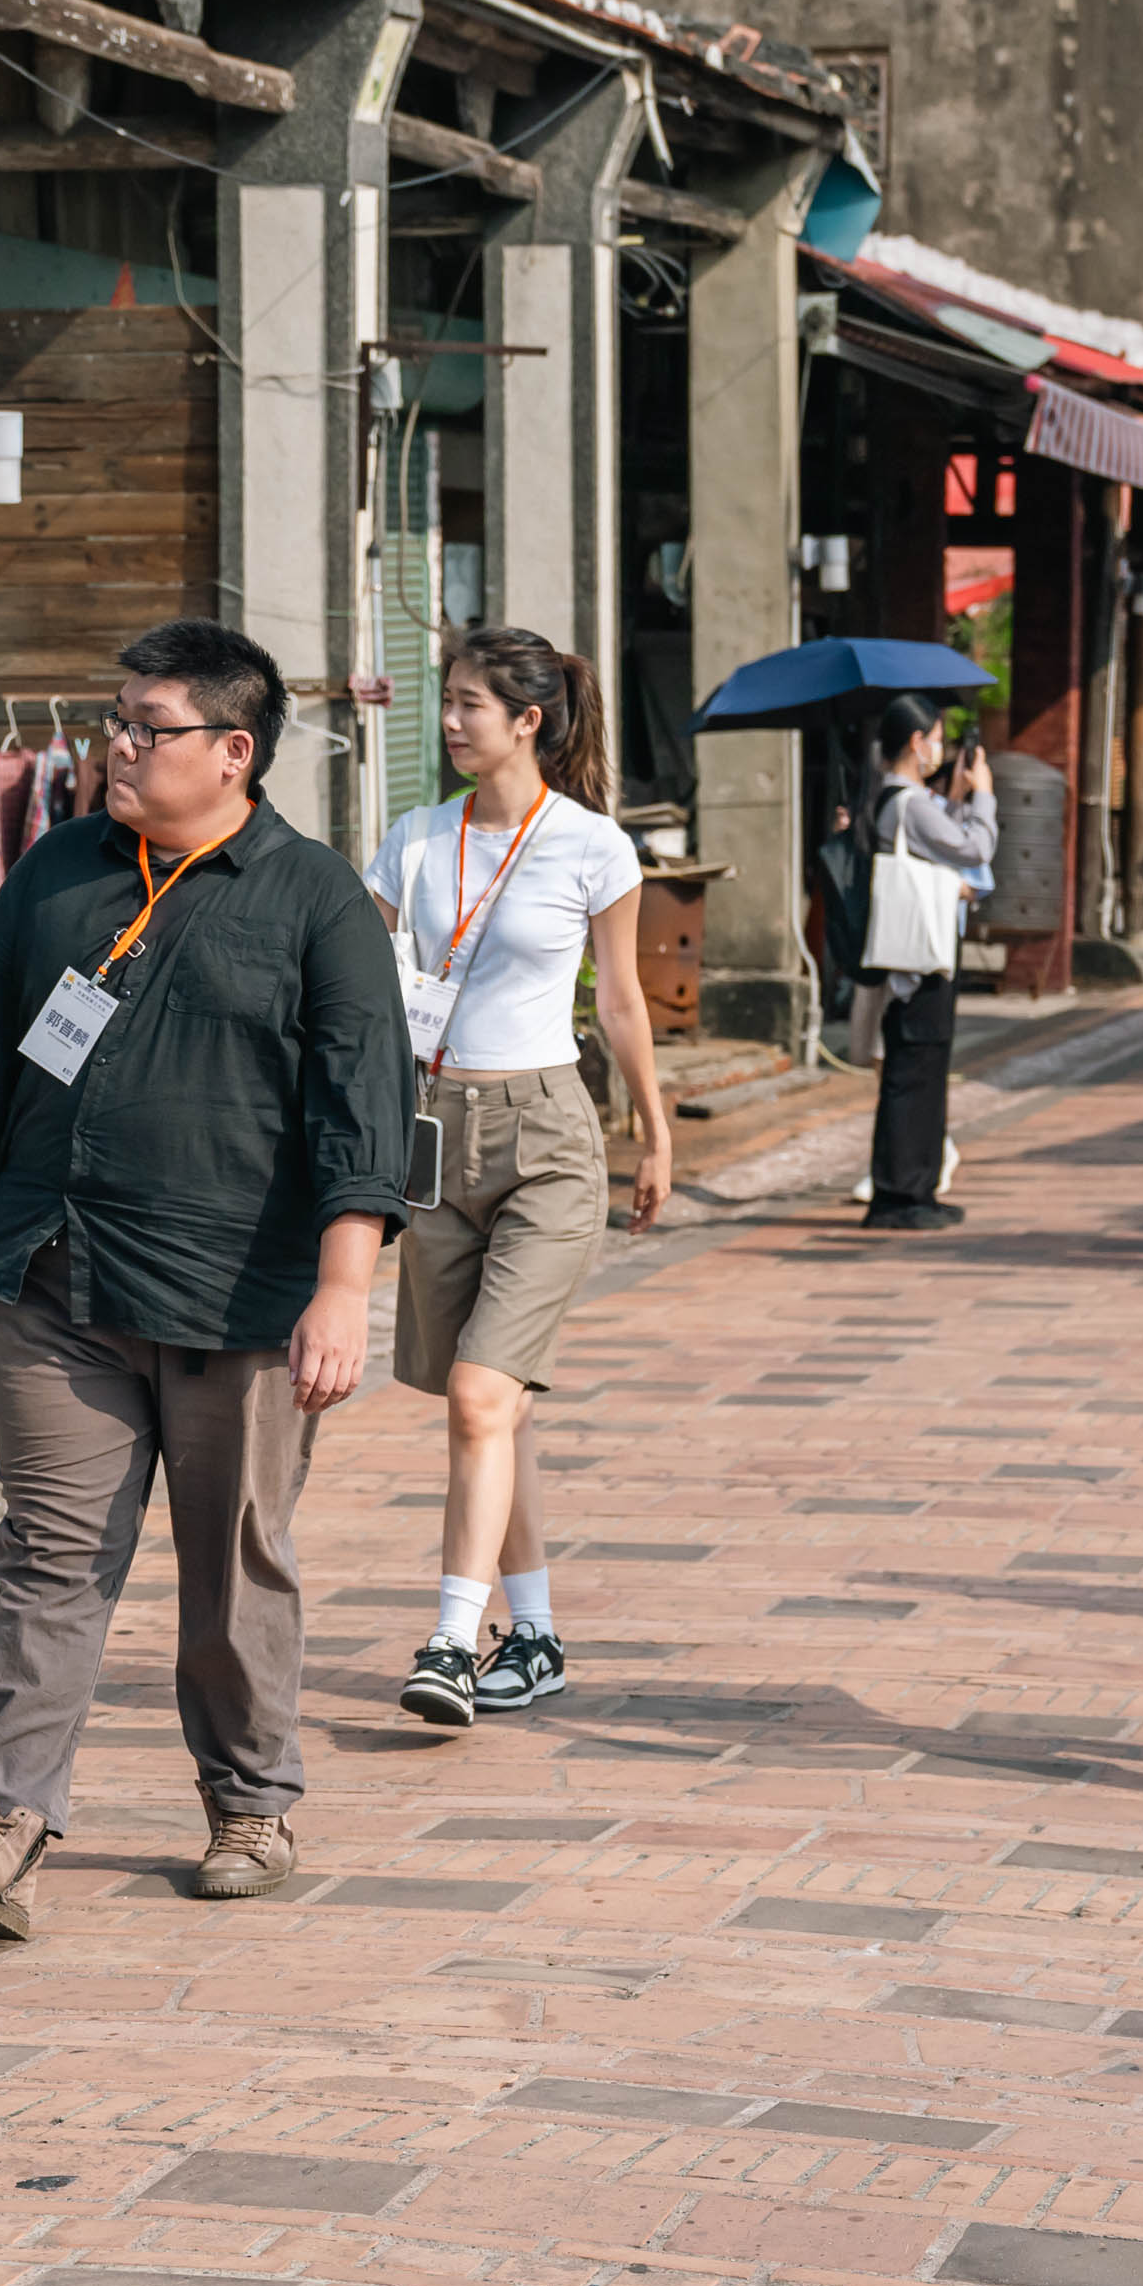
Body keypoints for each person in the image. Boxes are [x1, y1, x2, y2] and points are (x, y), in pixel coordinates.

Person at [0, 621, 409, 1942]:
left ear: (234, 753)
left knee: (234, 1567)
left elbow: (364, 1118)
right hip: (57, 1280)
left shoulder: (315, 902)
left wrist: (342, 1290)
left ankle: (249, 1803)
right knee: (51, 1559)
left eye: (148, 726)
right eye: (117, 719)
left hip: (243, 1307)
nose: (119, 744)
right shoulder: (58, 874)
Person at [365, 625, 674, 1728]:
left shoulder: (593, 847)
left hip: (546, 1132)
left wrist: (656, 1128)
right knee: (499, 1405)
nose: (449, 722)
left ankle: (452, 1638)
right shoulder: (411, 838)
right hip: (432, 1135)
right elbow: (365, 994)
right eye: (445, 701)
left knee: (479, 1394)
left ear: (528, 721)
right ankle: (535, 1634)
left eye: (469, 706)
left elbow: (623, 1001)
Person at [858, 700, 999, 1234]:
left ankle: (915, 1186)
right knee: (913, 1072)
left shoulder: (899, 799)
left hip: (918, 956)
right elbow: (974, 847)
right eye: (936, 737)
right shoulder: (908, 802)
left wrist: (960, 797)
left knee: (921, 1070)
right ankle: (898, 1193)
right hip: (917, 961)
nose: (939, 748)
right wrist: (983, 792)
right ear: (917, 743)